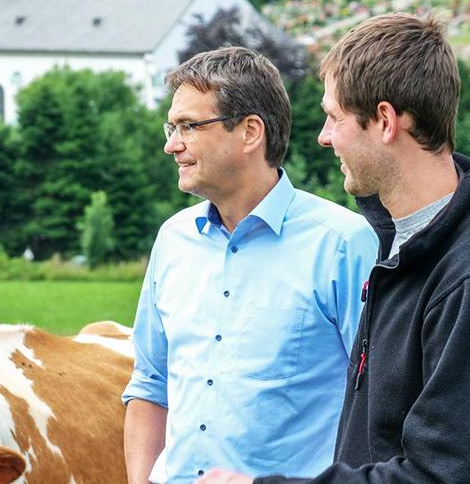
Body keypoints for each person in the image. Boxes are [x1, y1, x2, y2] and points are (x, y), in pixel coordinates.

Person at [198, 13, 470, 484]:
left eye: (334, 117)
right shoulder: (404, 251)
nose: (324, 137)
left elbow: (443, 475)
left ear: (385, 121)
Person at [123, 46, 379, 483]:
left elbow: (377, 405)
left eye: (188, 126)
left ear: (250, 132)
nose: (171, 145)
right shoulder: (172, 240)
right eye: (172, 126)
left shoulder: (345, 246)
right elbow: (150, 386)